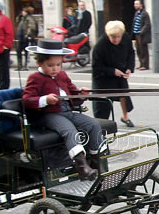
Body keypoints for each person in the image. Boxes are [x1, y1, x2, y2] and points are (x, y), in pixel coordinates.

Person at [23, 39, 103, 181]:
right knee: (69, 131)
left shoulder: (62, 75)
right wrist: (45, 100)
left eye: (58, 65)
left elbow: (73, 94)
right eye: (50, 65)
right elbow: (27, 100)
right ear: (40, 63)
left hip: (66, 111)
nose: (55, 69)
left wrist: (81, 95)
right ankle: (82, 166)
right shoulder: (35, 78)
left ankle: (96, 161)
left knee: (93, 125)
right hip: (49, 114)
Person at [91, 20, 136, 126]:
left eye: (118, 37)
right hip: (103, 77)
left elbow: (131, 53)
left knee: (123, 94)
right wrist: (112, 71)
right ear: (108, 35)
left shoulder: (126, 38)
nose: (116, 39)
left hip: (120, 71)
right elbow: (96, 67)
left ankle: (125, 116)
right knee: (103, 104)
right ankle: (101, 123)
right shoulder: (100, 45)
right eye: (113, 37)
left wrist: (129, 68)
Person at [131, 0, 152, 70]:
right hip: (136, 34)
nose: (135, 5)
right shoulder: (137, 13)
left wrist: (141, 32)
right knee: (138, 50)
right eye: (135, 4)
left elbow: (147, 24)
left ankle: (145, 65)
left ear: (141, 5)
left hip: (142, 35)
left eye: (137, 4)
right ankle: (141, 64)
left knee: (143, 50)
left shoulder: (145, 14)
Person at [15, 6, 38, 71]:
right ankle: (19, 65)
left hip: (25, 37)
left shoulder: (29, 18)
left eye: (23, 11)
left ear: (26, 12)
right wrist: (19, 16)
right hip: (20, 36)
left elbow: (31, 27)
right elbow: (17, 21)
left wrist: (28, 34)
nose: (22, 12)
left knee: (26, 51)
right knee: (18, 50)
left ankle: (25, 65)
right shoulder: (22, 18)